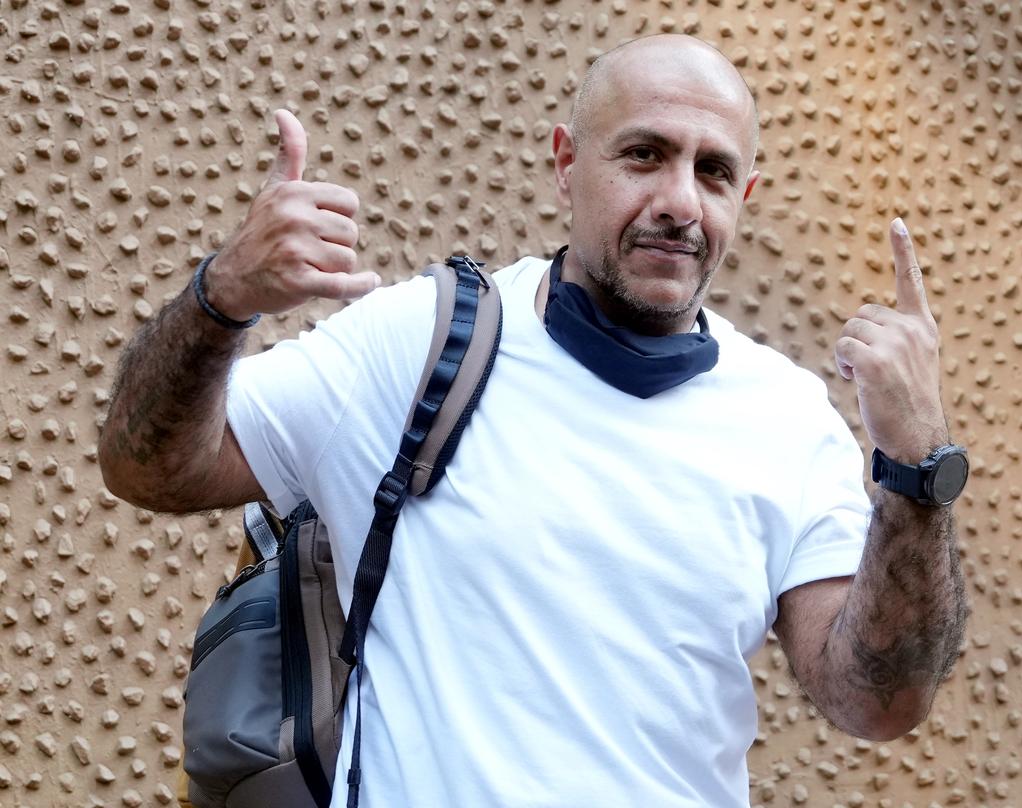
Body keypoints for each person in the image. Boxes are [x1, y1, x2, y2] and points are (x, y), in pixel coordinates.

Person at [100, 34, 968, 808]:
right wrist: (221, 300)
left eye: (712, 171)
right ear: (566, 163)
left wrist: (916, 468)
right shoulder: (420, 341)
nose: (679, 201)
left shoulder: (785, 416)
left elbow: (876, 702)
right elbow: (152, 469)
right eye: (644, 154)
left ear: (745, 192)